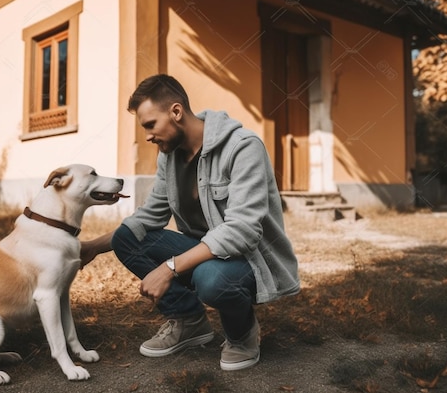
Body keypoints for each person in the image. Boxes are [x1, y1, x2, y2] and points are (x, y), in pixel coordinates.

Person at [80, 74, 300, 371]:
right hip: (204, 252)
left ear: (176, 112)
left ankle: (242, 334)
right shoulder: (169, 157)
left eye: (150, 124)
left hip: (250, 258)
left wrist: (169, 268)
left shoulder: (243, 147)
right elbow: (148, 217)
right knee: (127, 236)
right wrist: (93, 247)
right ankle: (189, 321)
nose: (147, 136)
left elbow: (243, 231)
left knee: (211, 278)